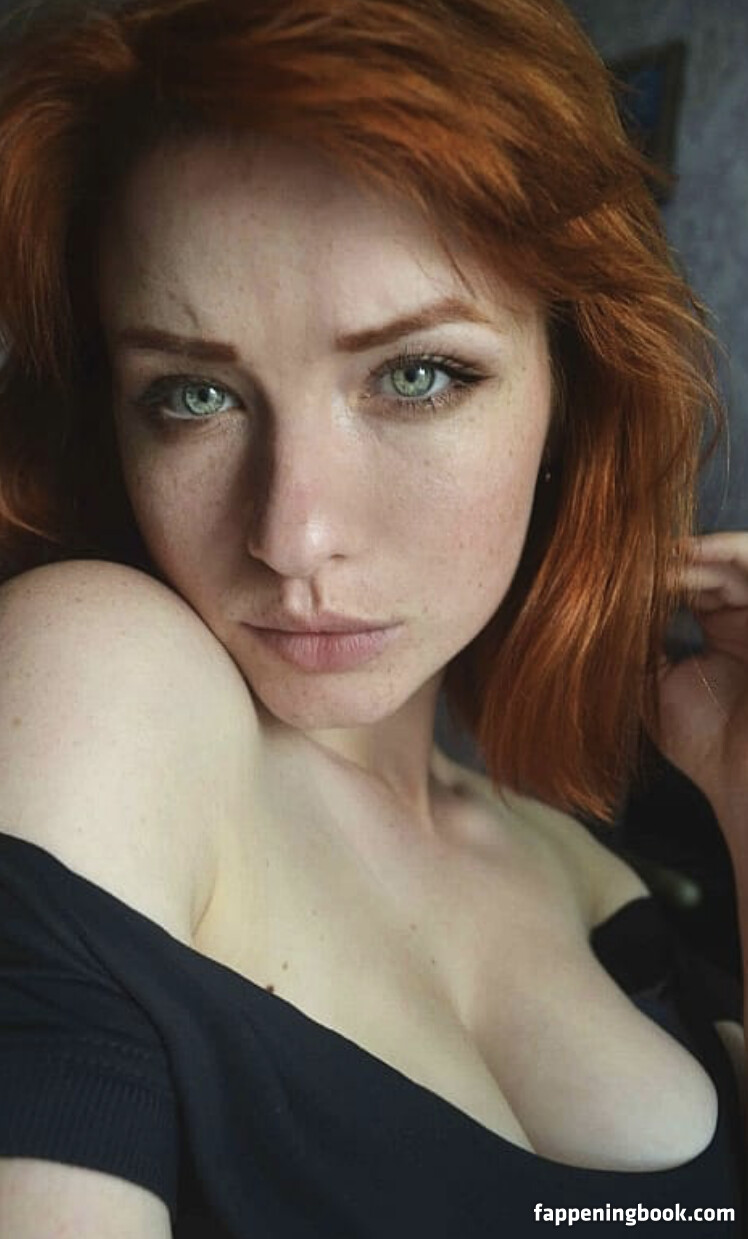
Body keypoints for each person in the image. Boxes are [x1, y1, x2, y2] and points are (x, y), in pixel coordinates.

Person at [0, 0, 744, 1235]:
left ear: (571, 388)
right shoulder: (101, 679)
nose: (291, 537)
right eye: (192, 395)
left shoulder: (583, 862)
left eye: (415, 375)